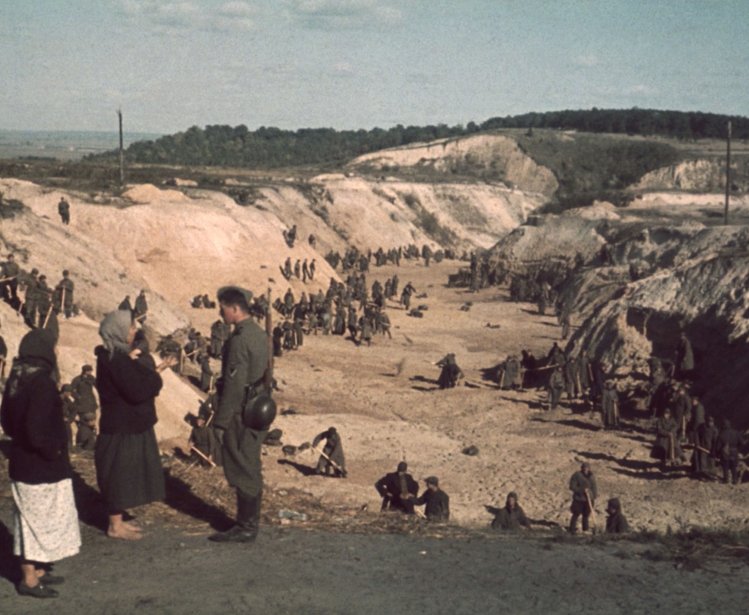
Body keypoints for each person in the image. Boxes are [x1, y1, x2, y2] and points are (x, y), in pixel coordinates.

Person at [0, 330, 81, 598]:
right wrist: (54, 450)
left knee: (29, 520)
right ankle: (29, 580)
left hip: (22, 463)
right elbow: (37, 431)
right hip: (41, 467)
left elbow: (8, 424)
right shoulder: (42, 383)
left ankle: (35, 571)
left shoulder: (17, 379)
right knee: (35, 524)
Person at [95, 310, 174, 540]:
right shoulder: (116, 359)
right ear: (118, 331)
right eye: (130, 328)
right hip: (121, 427)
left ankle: (117, 522)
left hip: (125, 424)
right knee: (118, 475)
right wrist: (155, 377)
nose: (133, 331)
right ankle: (114, 526)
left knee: (123, 473)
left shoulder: (116, 356)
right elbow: (138, 389)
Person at [210, 286, 271, 543]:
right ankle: (248, 523)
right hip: (258, 406)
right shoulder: (258, 333)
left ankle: (246, 527)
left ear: (235, 309)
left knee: (242, 464)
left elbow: (234, 386)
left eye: (223, 307)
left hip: (241, 412)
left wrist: (221, 422)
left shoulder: (239, 339)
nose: (220, 311)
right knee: (251, 462)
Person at [569, 462, 597, 534]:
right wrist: (582, 490)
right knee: (576, 514)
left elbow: (594, 487)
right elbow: (572, 487)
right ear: (582, 468)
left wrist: (594, 495)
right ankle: (572, 529)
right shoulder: (577, 475)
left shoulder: (591, 476)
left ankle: (585, 529)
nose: (585, 469)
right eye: (584, 468)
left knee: (586, 515)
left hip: (588, 499)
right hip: (579, 499)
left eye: (587, 468)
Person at [717, 419, 745, 485]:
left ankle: (726, 479)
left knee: (725, 466)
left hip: (725, 452)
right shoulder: (736, 433)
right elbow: (742, 443)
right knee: (733, 467)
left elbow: (718, 447)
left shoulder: (721, 434)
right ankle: (734, 480)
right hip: (734, 451)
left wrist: (717, 454)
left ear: (723, 426)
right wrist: (738, 449)